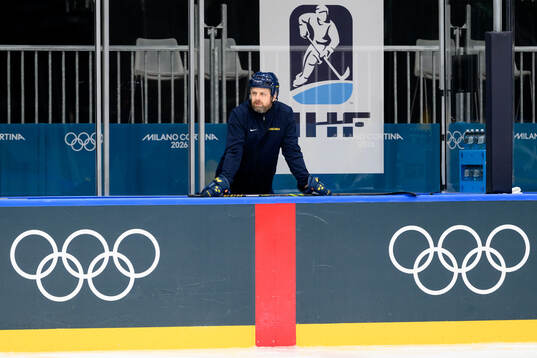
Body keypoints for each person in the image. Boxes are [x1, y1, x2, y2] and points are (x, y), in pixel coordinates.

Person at [200, 72, 331, 197]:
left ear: (274, 95)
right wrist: (224, 179)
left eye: (263, 94)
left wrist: (305, 180)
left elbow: (292, 151)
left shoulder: (285, 114)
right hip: (234, 187)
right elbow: (234, 151)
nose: (257, 98)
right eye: (254, 93)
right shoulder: (239, 114)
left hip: (264, 186)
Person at [293, 5, 340, 88]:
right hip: (314, 43)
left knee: (311, 59)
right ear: (317, 14)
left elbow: (335, 41)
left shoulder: (330, 25)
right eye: (321, 13)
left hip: (323, 46)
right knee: (305, 59)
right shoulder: (311, 17)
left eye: (325, 13)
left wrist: (327, 51)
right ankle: (303, 73)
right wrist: (303, 28)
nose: (323, 15)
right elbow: (301, 18)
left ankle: (304, 78)